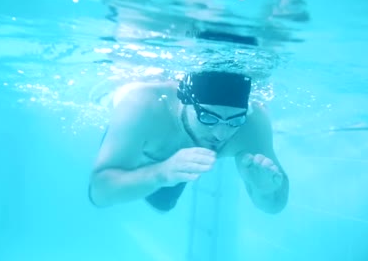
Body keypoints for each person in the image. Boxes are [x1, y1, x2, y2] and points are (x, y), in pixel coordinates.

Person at [89, 71, 289, 214]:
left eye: (235, 120)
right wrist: (162, 173)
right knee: (160, 200)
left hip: (173, 169)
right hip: (144, 155)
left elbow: (274, 205)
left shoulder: (252, 123)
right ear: (185, 101)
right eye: (208, 117)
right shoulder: (143, 105)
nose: (221, 134)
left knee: (164, 204)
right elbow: (98, 193)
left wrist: (264, 190)